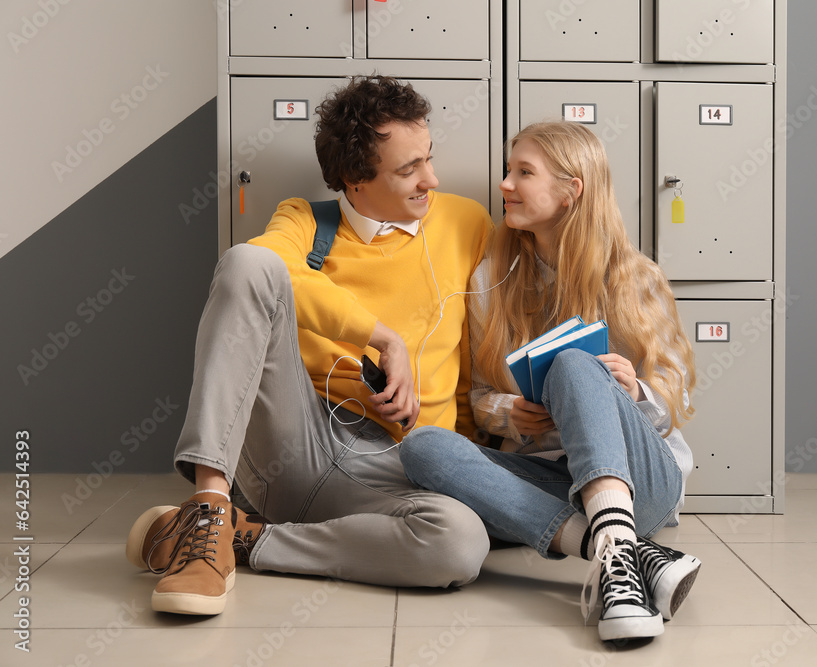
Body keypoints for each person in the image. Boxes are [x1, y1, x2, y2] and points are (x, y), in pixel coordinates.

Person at [125, 75, 493, 616]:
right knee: (250, 263)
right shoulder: (303, 220)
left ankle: (243, 539)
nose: (430, 180)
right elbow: (261, 269)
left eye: (428, 158)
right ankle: (207, 507)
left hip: (400, 467)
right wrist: (381, 336)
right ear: (354, 180)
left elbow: (486, 344)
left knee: (459, 543)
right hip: (296, 447)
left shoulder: (467, 223)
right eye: (408, 169)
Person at [400, 121, 701, 642]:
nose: (505, 185)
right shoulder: (491, 280)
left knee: (572, 363)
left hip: (643, 483)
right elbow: (479, 396)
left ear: (571, 191)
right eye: (507, 170)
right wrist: (507, 414)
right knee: (422, 449)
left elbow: (676, 399)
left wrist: (632, 393)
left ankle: (617, 546)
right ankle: (624, 554)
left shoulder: (635, 277)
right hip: (555, 479)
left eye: (524, 173)